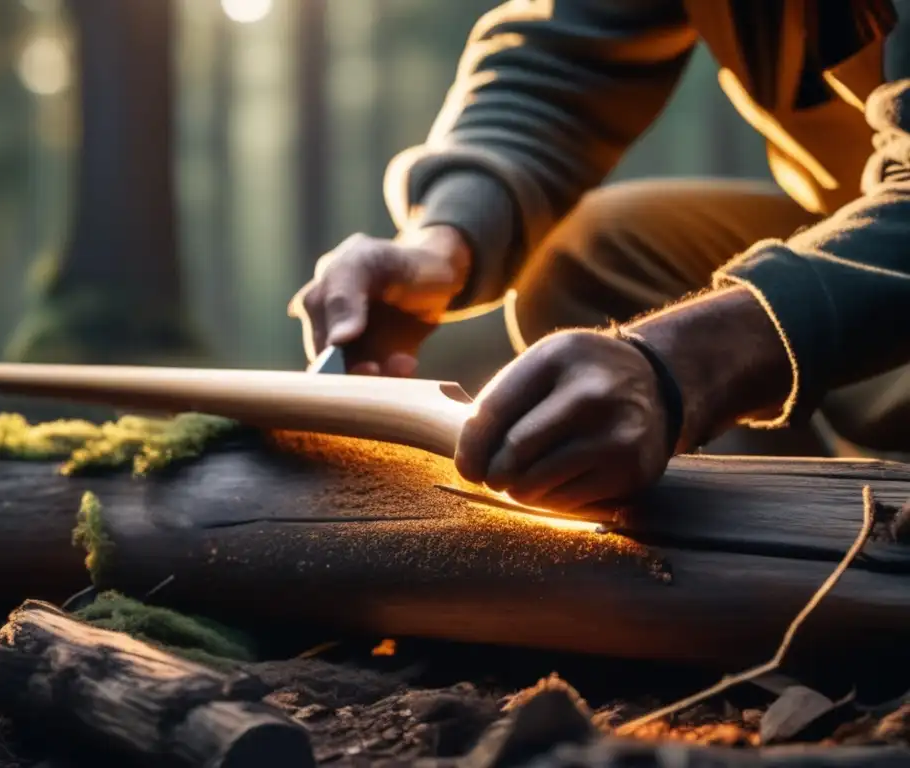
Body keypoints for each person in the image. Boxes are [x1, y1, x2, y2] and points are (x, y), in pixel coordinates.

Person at [289, 0, 910, 511]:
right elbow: (561, 60)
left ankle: (846, 575)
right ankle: (762, 549)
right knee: (595, 258)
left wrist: (682, 365)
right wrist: (441, 242)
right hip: (855, 220)